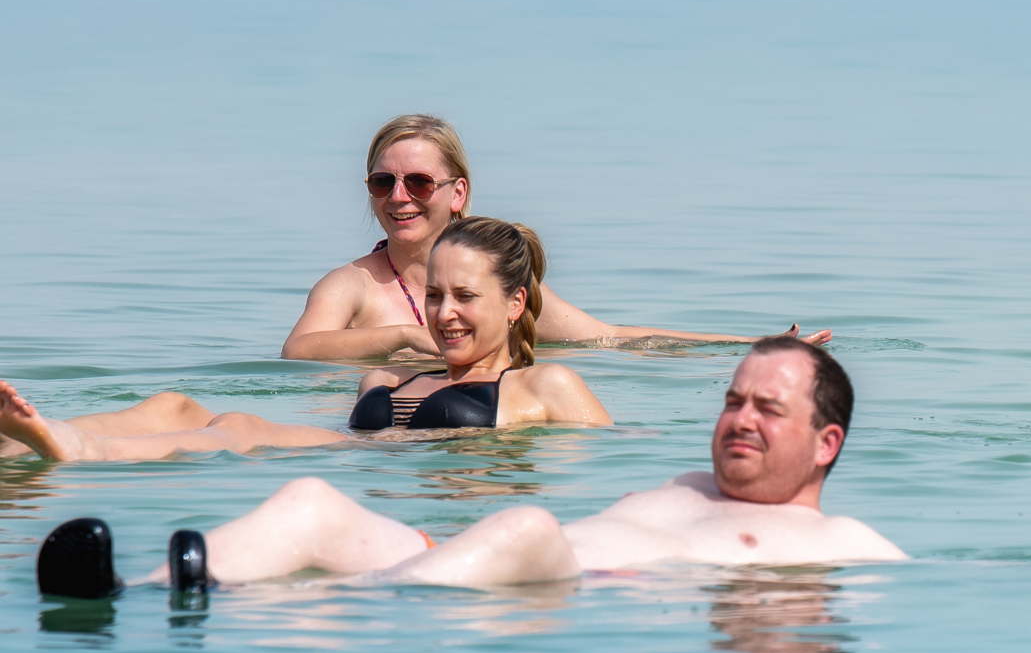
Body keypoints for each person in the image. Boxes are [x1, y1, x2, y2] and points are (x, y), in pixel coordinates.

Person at [35, 336, 901, 598]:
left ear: (825, 444)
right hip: (461, 561)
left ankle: (328, 604)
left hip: (550, 586)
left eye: (767, 408)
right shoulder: (683, 484)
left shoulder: (843, 539)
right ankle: (136, 591)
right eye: (733, 399)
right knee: (312, 500)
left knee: (525, 523)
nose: (738, 418)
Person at [3, 219, 610, 462]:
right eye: (434, 295)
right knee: (175, 405)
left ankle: (72, 448)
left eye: (465, 297)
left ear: (514, 304)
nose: (444, 313)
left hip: (358, 468)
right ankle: (17, 447)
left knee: (237, 427)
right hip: (352, 456)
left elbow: (617, 455)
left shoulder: (544, 384)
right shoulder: (391, 378)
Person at [282, 114, 828, 361]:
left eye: (419, 181)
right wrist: (403, 337)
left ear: (457, 192)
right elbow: (299, 351)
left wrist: (754, 347)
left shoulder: (498, 283)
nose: (399, 197)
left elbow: (611, 338)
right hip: (386, 451)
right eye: (383, 182)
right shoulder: (350, 284)